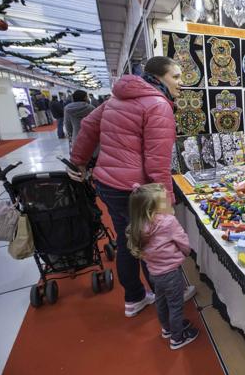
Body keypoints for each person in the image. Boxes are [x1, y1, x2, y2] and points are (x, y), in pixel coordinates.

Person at [68, 56, 195, 317]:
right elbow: (157, 162)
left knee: (128, 242)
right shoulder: (158, 105)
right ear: (159, 77)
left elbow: (89, 126)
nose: (181, 83)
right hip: (135, 189)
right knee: (153, 242)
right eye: (176, 77)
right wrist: (166, 201)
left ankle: (135, 297)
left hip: (108, 183)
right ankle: (169, 294)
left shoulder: (117, 98)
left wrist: (78, 161)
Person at [127, 183, 199, 349]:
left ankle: (167, 328)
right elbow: (183, 242)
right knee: (176, 305)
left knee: (161, 302)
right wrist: (185, 253)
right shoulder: (168, 221)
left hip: (155, 272)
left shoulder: (139, 224)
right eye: (165, 201)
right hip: (171, 273)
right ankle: (177, 337)